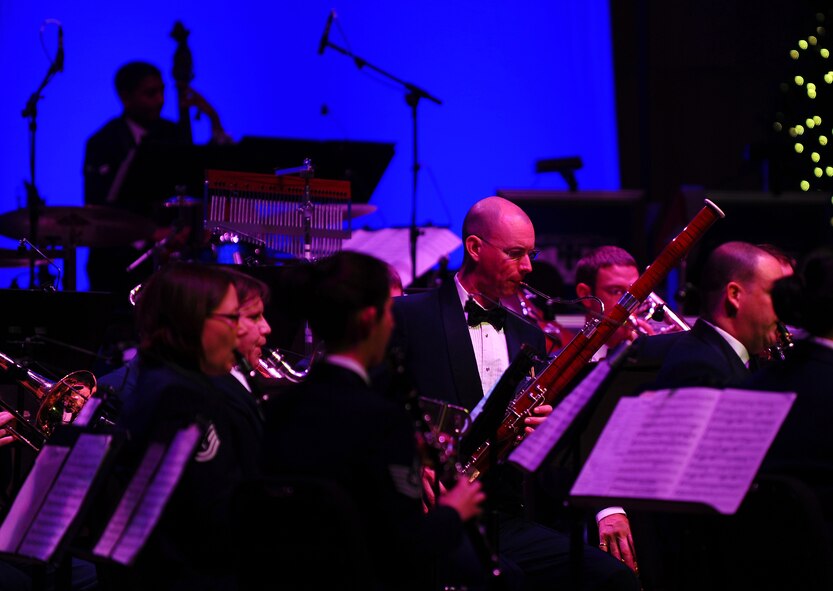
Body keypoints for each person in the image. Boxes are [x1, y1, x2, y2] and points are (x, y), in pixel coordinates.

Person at [385, 196, 640, 590]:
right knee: (508, 581)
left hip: (503, 516)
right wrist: (410, 463)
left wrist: (538, 431)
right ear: (474, 248)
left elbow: (540, 448)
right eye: (515, 253)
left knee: (613, 578)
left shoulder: (529, 335)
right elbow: (374, 407)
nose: (528, 267)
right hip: (433, 510)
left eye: (530, 254)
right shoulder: (408, 315)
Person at [259, 250, 488, 590]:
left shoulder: (279, 408)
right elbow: (404, 549)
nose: (394, 324)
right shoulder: (383, 420)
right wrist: (454, 511)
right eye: (390, 312)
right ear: (370, 320)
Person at [92, 262, 257, 591]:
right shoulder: (182, 398)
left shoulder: (161, 382)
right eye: (232, 318)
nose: (239, 331)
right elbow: (209, 513)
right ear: (192, 322)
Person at [83, 61, 230, 299]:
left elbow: (195, 181)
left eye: (162, 91)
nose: (160, 100)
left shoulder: (172, 133)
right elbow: (99, 209)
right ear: (125, 97)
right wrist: (152, 232)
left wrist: (213, 118)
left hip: (170, 255)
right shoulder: (104, 142)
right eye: (150, 93)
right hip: (119, 261)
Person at [638, 240, 790, 391]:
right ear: (734, 295)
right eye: (774, 294)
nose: (782, 308)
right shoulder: (699, 370)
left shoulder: (741, 356)